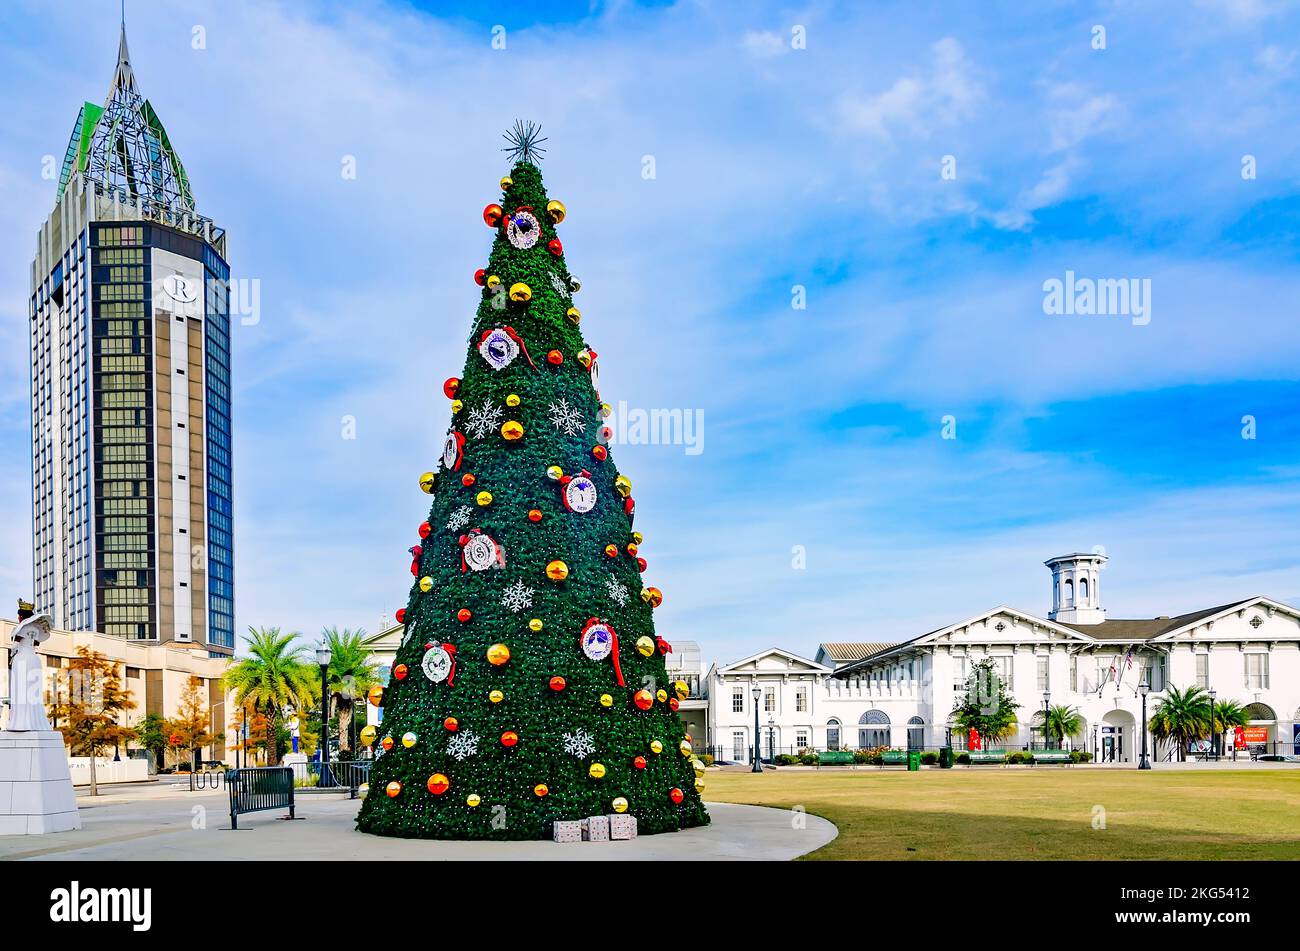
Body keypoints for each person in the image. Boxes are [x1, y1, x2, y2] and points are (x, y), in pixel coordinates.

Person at [6, 600, 52, 732]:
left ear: (21, 616)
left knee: (21, 689)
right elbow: (36, 643)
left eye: (19, 616)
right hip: (34, 659)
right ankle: (35, 721)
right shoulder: (36, 629)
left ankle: (20, 722)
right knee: (33, 692)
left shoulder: (20, 628)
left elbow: (15, 644)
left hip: (22, 659)